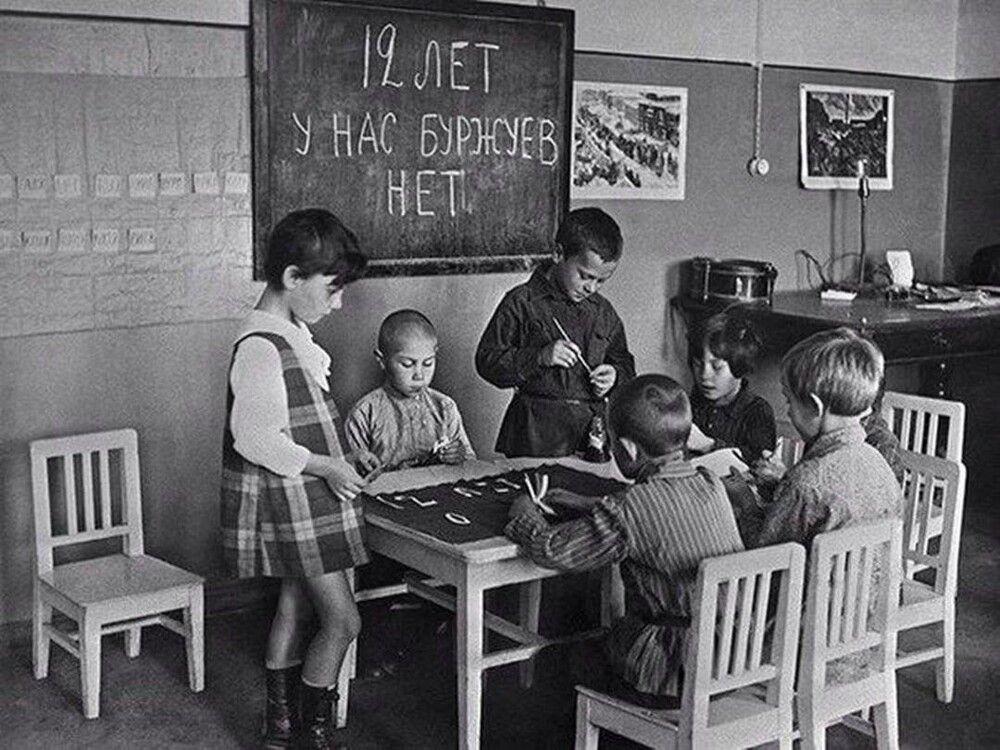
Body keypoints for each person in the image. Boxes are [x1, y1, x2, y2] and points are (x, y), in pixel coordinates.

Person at [220, 208, 370, 750]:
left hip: (302, 498)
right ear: (291, 277)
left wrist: (344, 454)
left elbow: (300, 419)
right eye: (332, 289)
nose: (338, 303)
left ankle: (280, 730)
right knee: (344, 622)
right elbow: (253, 438)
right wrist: (328, 465)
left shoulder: (289, 332)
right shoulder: (262, 346)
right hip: (295, 503)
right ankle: (314, 732)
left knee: (293, 604)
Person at [505, 374, 744, 707]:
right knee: (601, 640)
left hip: (672, 675)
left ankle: (610, 732)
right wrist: (592, 504)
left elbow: (552, 549)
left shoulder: (633, 507)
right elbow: (658, 509)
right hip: (731, 661)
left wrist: (523, 514)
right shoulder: (709, 483)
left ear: (629, 448)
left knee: (551, 659)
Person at [740, 328, 902, 682]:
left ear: (814, 406)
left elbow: (764, 566)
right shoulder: (879, 466)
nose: (786, 410)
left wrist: (742, 505)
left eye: (788, 401)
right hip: (858, 643)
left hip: (799, 655)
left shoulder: (808, 481)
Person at [475, 207, 636, 457]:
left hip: (590, 438)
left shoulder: (603, 312)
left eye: (601, 281)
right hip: (534, 436)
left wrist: (614, 376)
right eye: (585, 276)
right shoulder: (521, 302)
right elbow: (487, 361)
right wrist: (539, 357)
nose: (592, 288)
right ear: (558, 253)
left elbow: (624, 364)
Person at [345, 309, 475, 472]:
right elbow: (350, 473)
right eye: (407, 364)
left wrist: (459, 455)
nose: (419, 375)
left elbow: (471, 464)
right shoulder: (365, 413)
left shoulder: (444, 406)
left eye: (428, 363)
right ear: (382, 360)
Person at [687, 311, 776, 465]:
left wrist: (709, 446)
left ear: (740, 366)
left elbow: (759, 465)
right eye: (698, 364)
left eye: (717, 367)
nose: (704, 375)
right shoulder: (690, 403)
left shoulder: (758, 412)